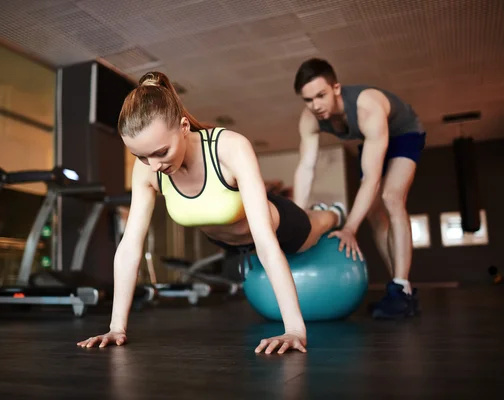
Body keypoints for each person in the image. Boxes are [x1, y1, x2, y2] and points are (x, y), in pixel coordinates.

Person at [77, 71, 347, 354]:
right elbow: (130, 246)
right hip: (229, 240)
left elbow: (266, 241)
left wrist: (294, 330)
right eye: (141, 156)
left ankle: (332, 213)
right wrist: (116, 327)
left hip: (282, 228)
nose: (153, 165)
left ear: (183, 126)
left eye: (161, 152)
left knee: (318, 224)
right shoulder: (148, 170)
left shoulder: (229, 148)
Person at [292, 58, 425, 319]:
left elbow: (371, 180)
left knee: (391, 197)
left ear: (336, 88)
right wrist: (296, 216)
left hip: (405, 134)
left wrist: (350, 228)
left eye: (321, 95)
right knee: (375, 214)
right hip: (373, 140)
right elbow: (306, 167)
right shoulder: (309, 119)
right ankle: (400, 287)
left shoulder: (367, 108)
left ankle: (401, 288)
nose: (315, 106)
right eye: (308, 100)